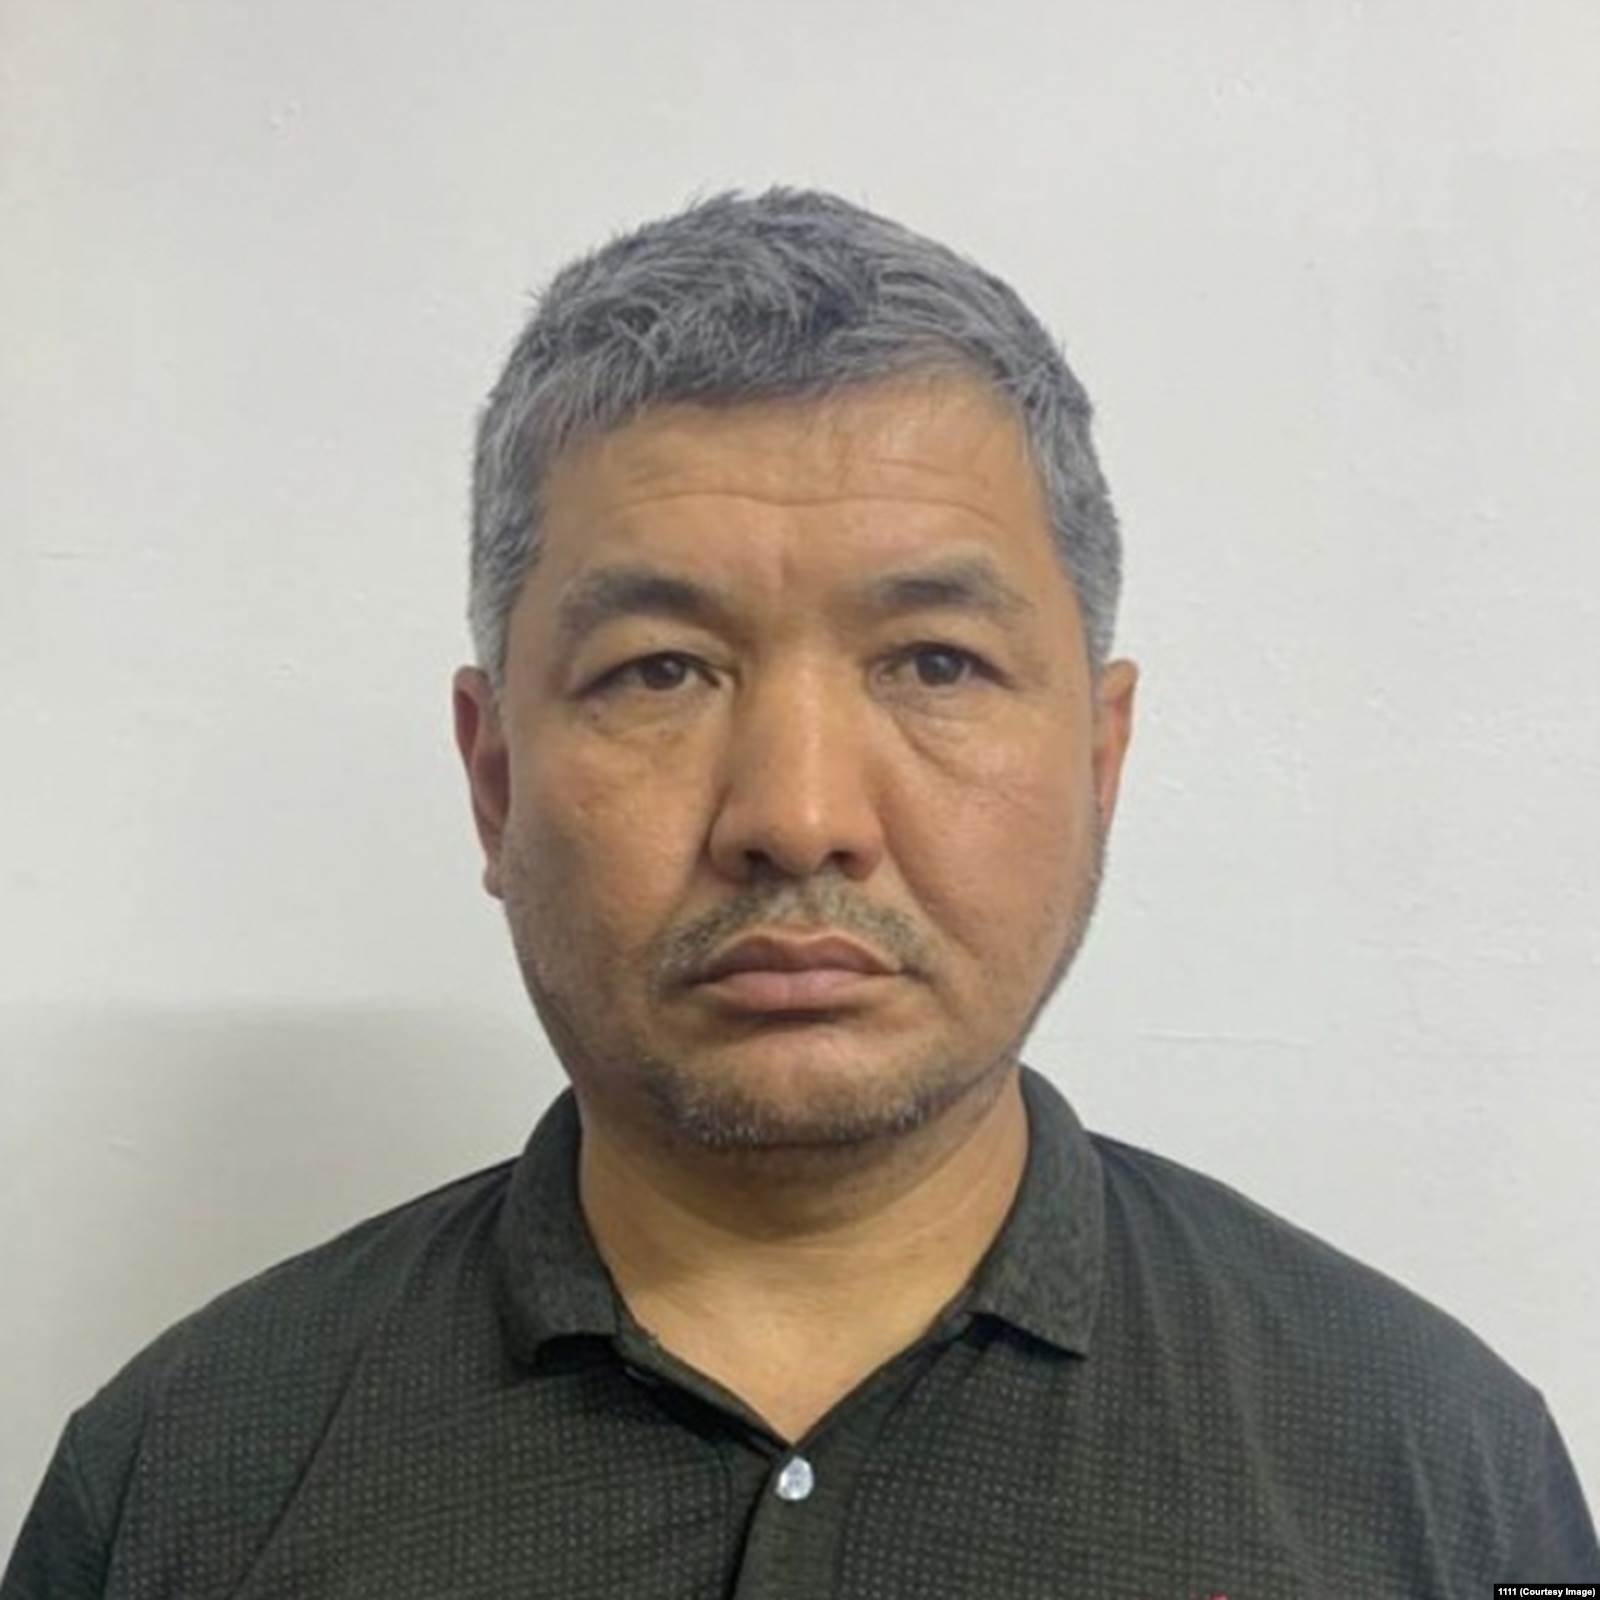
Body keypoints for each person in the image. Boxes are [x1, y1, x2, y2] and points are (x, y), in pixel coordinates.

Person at [5, 185, 1595, 1598]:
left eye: (934, 663)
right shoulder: (182, 1482)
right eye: (659, 670)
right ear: (495, 781)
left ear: (1100, 762)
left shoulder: (1438, 1468)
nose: (798, 817)